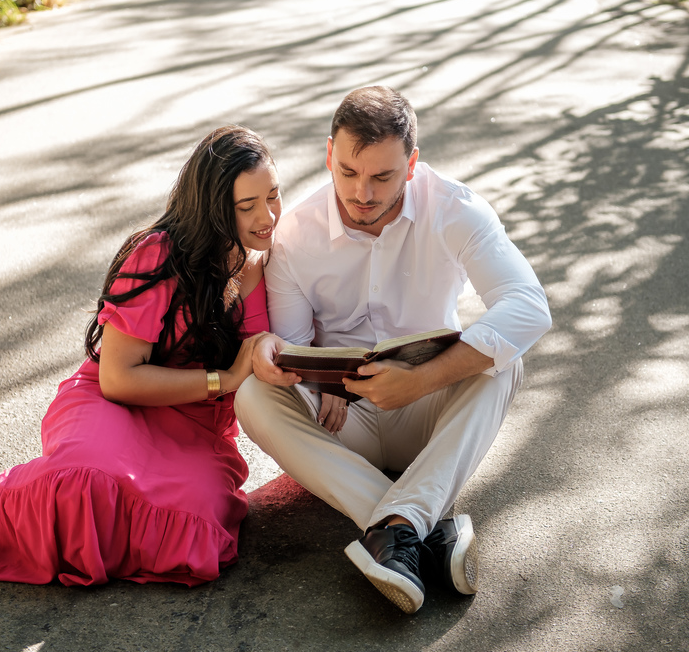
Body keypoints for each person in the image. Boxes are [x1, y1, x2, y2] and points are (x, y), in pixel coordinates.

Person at [0, 125, 282, 587]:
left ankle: (33, 485)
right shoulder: (160, 255)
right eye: (246, 206)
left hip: (197, 431)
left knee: (196, 536)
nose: (268, 217)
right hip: (116, 403)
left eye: (273, 195)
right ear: (213, 209)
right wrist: (226, 378)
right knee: (85, 485)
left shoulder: (280, 259)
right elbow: (117, 379)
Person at [235, 86, 551, 614]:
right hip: (340, 425)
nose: (362, 193)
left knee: (504, 360)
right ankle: (417, 526)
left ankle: (397, 531)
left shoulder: (456, 210)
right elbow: (293, 342)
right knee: (251, 394)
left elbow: (529, 307)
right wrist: (316, 382)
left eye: (382, 176)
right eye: (348, 172)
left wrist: (421, 380)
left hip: (427, 414)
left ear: (412, 165)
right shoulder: (295, 233)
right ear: (328, 154)